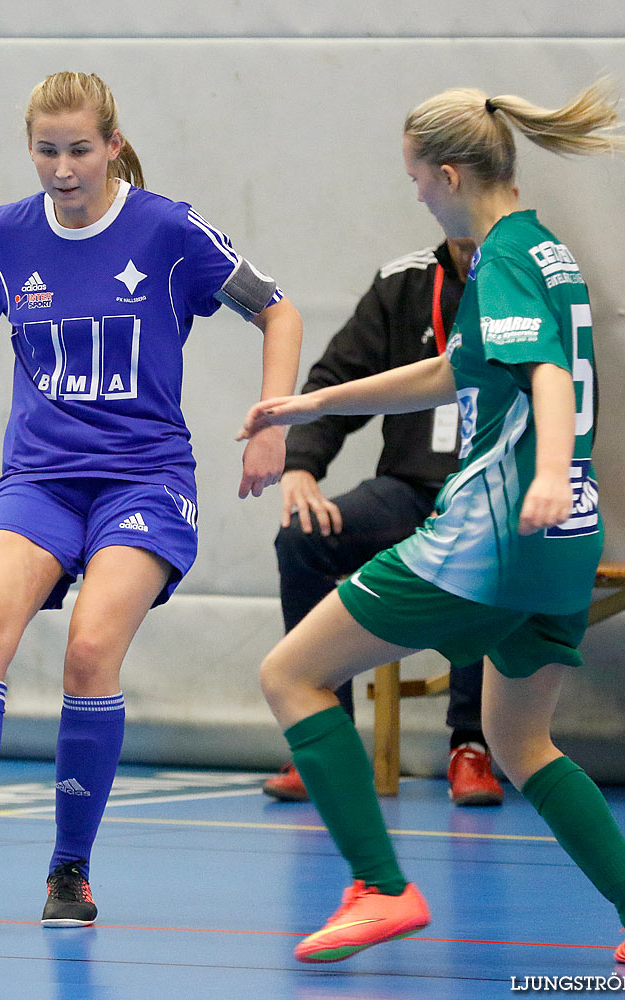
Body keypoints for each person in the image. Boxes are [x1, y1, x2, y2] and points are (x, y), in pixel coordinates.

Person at [0, 71, 301, 927]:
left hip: (144, 479)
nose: (63, 168)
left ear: (113, 145)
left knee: (88, 653)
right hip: (39, 478)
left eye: (80, 149)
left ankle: (69, 870)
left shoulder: (167, 229)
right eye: (47, 151)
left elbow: (277, 309)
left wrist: (273, 420)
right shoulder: (8, 234)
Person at [237, 81, 625, 968]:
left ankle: (381, 888)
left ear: (449, 174)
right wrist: (315, 403)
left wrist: (549, 473)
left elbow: (548, 376)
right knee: (522, 741)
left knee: (291, 674)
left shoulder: (507, 258)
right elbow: (458, 370)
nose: (413, 196)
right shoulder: (541, 250)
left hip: (496, 534)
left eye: (414, 180)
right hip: (564, 544)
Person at [264, 236, 503, 808]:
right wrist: (301, 466)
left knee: (486, 551)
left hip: (490, 495)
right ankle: (327, 739)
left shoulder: (523, 279)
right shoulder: (405, 282)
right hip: (407, 491)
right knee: (304, 536)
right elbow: (336, 377)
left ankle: (470, 744)